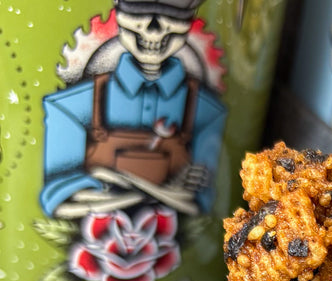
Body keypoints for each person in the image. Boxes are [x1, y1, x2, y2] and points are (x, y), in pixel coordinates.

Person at [40, 0, 226, 218]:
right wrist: (164, 193)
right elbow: (58, 199)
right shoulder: (70, 106)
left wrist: (116, 184)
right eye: (138, 14)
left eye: (172, 17)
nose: (153, 30)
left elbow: (203, 201)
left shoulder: (208, 112)